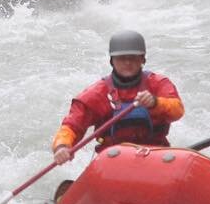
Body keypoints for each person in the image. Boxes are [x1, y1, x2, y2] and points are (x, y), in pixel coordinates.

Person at [52, 30, 184, 163]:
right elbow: (72, 125)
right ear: (111, 61)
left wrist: (155, 103)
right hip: (113, 160)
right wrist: (62, 146)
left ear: (142, 59)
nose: (127, 62)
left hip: (156, 155)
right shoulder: (98, 93)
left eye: (132, 57)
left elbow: (177, 110)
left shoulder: (158, 83)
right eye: (121, 58)